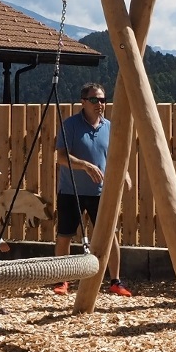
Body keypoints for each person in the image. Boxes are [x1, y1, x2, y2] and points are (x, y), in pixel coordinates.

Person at [52, 82, 133, 297]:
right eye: (95, 99)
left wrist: (124, 172)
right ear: (83, 102)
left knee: (111, 236)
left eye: (103, 100)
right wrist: (85, 165)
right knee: (65, 236)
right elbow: (61, 157)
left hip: (101, 193)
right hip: (71, 191)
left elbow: (117, 156)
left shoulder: (110, 127)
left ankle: (116, 281)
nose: (100, 104)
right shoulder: (70, 125)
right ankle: (62, 281)